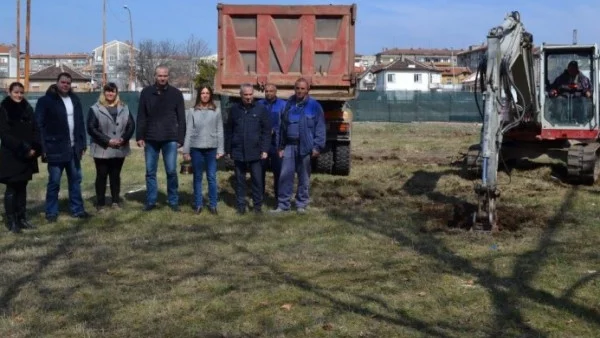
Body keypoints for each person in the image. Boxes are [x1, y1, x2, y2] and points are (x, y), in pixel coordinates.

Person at [35, 72, 90, 222]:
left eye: (68, 83)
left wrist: (82, 143)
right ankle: (51, 212)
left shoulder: (75, 99)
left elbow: (80, 123)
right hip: (55, 148)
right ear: (57, 83)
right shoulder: (46, 101)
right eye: (63, 82)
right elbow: (38, 126)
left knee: (75, 180)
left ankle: (77, 210)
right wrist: (43, 148)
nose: (65, 85)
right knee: (54, 182)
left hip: (73, 149)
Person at [271, 78, 326, 214]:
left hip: (305, 146)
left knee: (304, 177)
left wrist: (317, 146)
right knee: (285, 176)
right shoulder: (287, 105)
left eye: (303, 88)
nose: (300, 91)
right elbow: (280, 127)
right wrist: (280, 147)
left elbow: (320, 128)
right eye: (297, 88)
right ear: (294, 89)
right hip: (288, 146)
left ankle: (301, 204)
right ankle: (283, 205)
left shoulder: (315, 106)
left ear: (307, 90)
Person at [136, 65, 186, 212]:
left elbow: (181, 118)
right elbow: (141, 116)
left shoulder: (176, 94)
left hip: (170, 138)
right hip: (151, 138)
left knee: (171, 171)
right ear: (155, 76)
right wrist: (140, 135)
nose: (162, 78)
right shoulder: (146, 93)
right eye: (160, 75)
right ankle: (151, 201)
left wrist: (180, 138)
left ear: (168, 77)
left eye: (165, 76)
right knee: (150, 172)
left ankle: (173, 200)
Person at [0, 82, 42, 233]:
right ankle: (12, 222)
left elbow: (35, 128)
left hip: (28, 155)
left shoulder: (27, 107)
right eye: (16, 92)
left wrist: (35, 148)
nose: (19, 95)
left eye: (21, 93)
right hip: (12, 155)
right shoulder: (4, 108)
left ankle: (22, 218)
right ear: (9, 92)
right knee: (12, 188)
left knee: (23, 187)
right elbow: (4, 135)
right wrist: (23, 148)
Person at [87, 82, 135, 211]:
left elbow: (131, 125)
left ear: (116, 93)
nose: (110, 94)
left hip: (119, 147)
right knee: (101, 175)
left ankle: (115, 201)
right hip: (102, 148)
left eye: (112, 91)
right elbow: (91, 128)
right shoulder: (95, 108)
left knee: (115, 175)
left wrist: (123, 139)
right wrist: (108, 141)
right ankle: (100, 203)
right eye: (107, 91)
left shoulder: (124, 108)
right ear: (103, 93)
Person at [225, 83, 271, 214]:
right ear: (241, 95)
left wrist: (264, 150)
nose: (248, 97)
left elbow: (266, 131)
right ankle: (241, 207)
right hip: (238, 151)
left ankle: (257, 207)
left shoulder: (260, 109)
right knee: (240, 181)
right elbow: (229, 130)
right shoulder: (234, 110)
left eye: (251, 94)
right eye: (245, 95)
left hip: (255, 152)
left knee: (257, 180)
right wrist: (228, 149)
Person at [182, 85, 224, 215]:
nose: (205, 95)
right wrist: (186, 150)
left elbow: (220, 130)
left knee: (211, 177)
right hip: (196, 149)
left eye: (207, 93)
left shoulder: (216, 111)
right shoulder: (192, 111)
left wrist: (220, 149)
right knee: (198, 177)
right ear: (199, 95)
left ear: (210, 95)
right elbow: (188, 131)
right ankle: (198, 204)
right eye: (202, 93)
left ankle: (213, 205)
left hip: (211, 148)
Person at [257, 83, 287, 198]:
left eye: (271, 91)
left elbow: (285, 124)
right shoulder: (259, 104)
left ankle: (278, 196)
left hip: (277, 144)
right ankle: (259, 195)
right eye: (266, 91)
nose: (268, 93)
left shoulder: (283, 105)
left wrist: (274, 131)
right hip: (262, 144)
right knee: (260, 170)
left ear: (276, 92)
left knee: (278, 171)